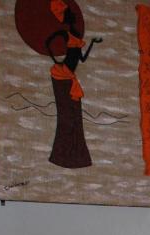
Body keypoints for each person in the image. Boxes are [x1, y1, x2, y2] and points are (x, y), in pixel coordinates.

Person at [45, 0, 101, 168]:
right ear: (65, 17)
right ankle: (62, 155)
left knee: (75, 116)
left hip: (69, 78)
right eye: (70, 14)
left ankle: (75, 156)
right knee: (67, 116)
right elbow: (48, 43)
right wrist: (57, 61)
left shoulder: (76, 36)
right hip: (62, 76)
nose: (74, 16)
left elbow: (81, 59)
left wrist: (92, 43)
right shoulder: (65, 34)